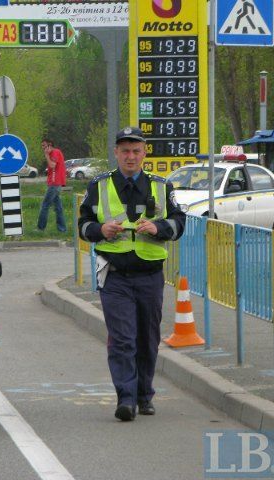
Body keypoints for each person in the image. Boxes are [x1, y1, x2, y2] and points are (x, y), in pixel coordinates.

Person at [78, 126, 186, 422]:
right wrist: (100, 230)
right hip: (114, 276)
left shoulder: (162, 187)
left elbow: (179, 223)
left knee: (147, 339)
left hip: (150, 276)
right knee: (122, 339)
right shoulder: (99, 187)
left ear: (144, 153)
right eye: (125, 151)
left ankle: (143, 394)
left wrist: (158, 228)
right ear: (116, 153)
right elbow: (83, 225)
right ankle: (125, 398)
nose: (130, 156)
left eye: (136, 151)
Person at [37, 138, 67, 232]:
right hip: (55, 183)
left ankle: (40, 228)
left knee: (45, 205)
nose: (43, 148)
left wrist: (46, 155)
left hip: (55, 183)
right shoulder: (54, 153)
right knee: (58, 208)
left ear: (50, 145)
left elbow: (52, 165)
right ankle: (62, 229)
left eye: (44, 146)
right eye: (42, 146)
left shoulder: (55, 152)